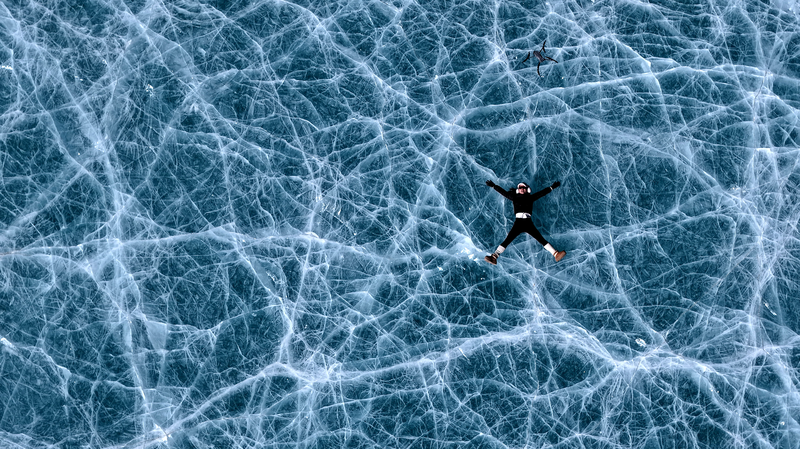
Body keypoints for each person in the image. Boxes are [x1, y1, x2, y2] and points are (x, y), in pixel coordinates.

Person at [484, 180, 566, 264]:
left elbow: (542, 193)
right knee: (507, 240)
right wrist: (493, 186)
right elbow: (503, 192)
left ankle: (556, 254)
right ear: (518, 190)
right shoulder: (514, 197)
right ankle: (494, 257)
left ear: (527, 189)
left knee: (540, 239)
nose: (522, 189)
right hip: (518, 223)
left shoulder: (530, 198)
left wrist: (552, 187)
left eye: (523, 188)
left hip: (528, 223)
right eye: (520, 188)